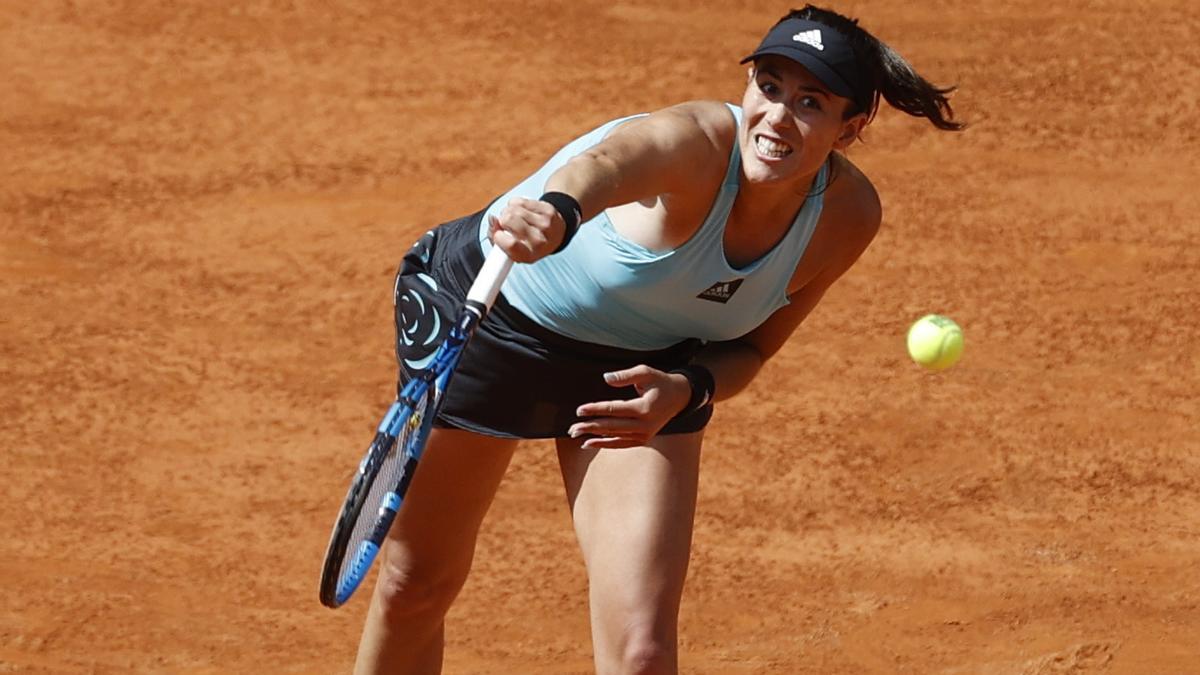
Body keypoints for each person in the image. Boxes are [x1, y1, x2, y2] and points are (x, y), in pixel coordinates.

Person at [353, 5, 963, 674]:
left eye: (809, 102)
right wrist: (557, 215)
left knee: (642, 651)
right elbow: (607, 165)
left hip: (642, 371)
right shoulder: (694, 143)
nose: (777, 117)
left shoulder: (845, 217)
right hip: (496, 319)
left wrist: (686, 388)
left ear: (850, 129)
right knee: (415, 587)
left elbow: (751, 351)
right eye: (768, 86)